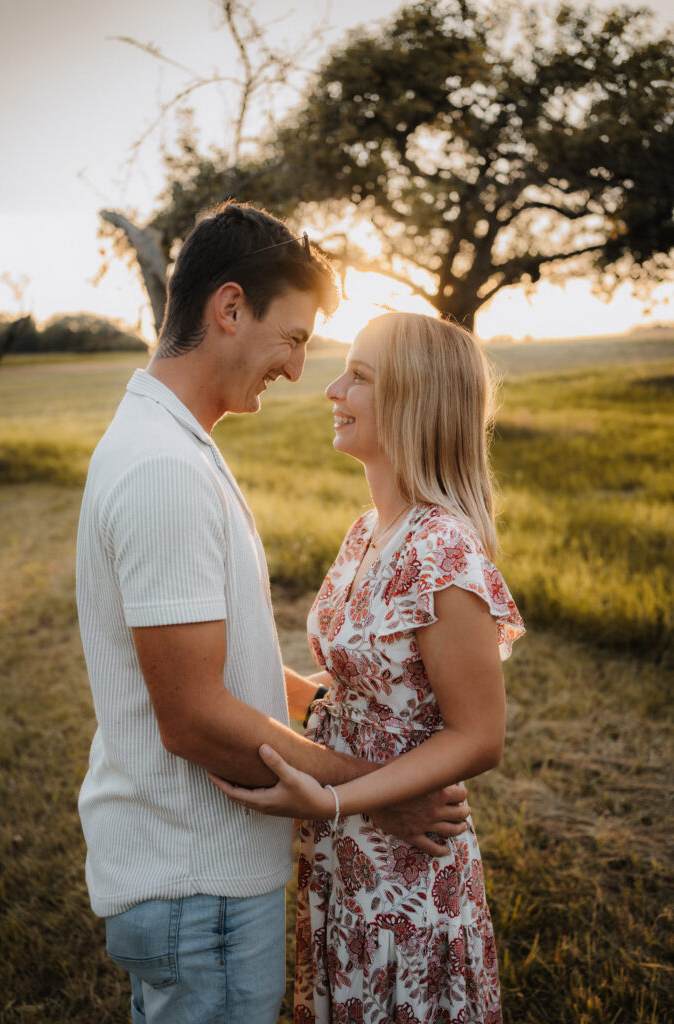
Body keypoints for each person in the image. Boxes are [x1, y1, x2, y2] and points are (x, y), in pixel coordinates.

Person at [76, 204, 472, 1024]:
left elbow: (218, 667)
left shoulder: (171, 445)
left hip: (192, 883)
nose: (297, 370)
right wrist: (377, 795)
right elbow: (195, 717)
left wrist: (321, 699)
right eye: (292, 338)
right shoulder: (163, 470)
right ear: (230, 308)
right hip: (199, 886)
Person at [211, 311, 525, 1023]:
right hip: (345, 849)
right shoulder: (368, 531)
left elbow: (479, 737)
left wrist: (331, 800)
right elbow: (364, 688)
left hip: (405, 869)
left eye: (358, 377)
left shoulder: (441, 550)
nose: (331, 390)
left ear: (414, 401)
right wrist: (241, 681)